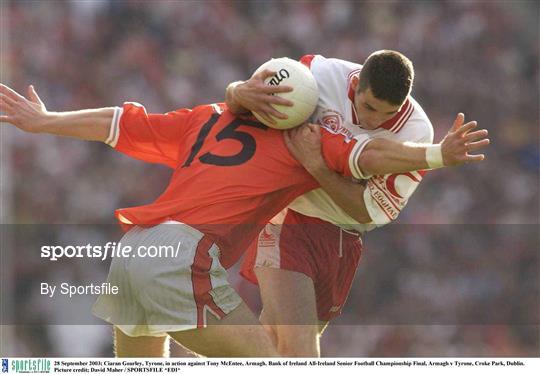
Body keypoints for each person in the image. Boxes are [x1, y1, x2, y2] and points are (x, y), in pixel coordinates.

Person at [0, 81, 487, 357]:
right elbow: (374, 155)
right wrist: (438, 154)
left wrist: (46, 120)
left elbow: (118, 123)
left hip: (135, 250)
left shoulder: (207, 115)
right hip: (178, 258)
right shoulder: (306, 140)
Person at [224, 51, 489, 356]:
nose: (373, 120)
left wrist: (318, 167)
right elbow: (243, 100)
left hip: (343, 239)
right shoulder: (319, 74)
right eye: (368, 107)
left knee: (275, 346)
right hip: (291, 219)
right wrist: (236, 90)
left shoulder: (416, 132)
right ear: (356, 85)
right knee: (300, 350)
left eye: (386, 114)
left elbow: (367, 211)